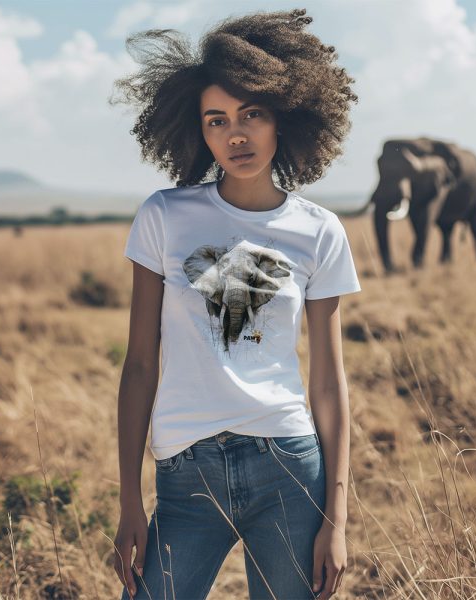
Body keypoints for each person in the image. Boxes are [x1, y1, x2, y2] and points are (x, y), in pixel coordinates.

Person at [109, 8, 361, 599]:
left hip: (289, 467)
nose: (236, 135)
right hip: (185, 471)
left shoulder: (319, 231)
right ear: (198, 131)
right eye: (216, 120)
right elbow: (140, 364)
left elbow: (328, 383)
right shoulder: (164, 216)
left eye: (252, 114)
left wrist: (337, 520)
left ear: (284, 118)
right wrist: (127, 503)